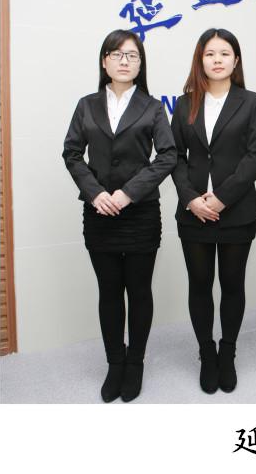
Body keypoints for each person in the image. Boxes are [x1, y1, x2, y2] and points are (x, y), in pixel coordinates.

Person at [62, 29, 177, 402]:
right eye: (117, 54)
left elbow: (168, 155)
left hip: (140, 212)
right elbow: (72, 152)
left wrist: (128, 193)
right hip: (99, 212)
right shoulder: (87, 105)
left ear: (141, 64)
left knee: (139, 290)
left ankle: (136, 362)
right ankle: (115, 362)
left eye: (132, 55)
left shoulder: (152, 107)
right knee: (109, 290)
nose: (124, 61)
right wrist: (96, 193)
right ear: (104, 61)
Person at [170, 28, 256, 394]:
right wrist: (191, 198)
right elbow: (174, 156)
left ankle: (227, 352)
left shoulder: (252, 102)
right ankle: (206, 353)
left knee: (232, 283)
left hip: (236, 211)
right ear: (200, 59)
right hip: (193, 212)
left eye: (224, 53)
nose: (217, 60)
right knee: (199, 284)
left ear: (235, 60)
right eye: (210, 53)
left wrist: (222, 198)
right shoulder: (185, 104)